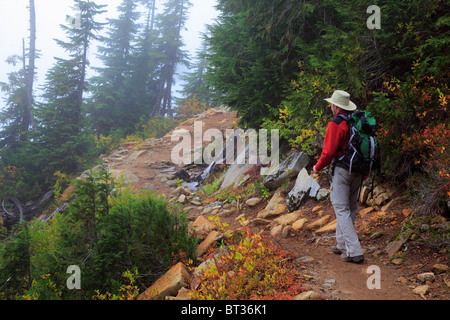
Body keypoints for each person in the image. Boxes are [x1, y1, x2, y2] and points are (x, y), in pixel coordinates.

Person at [313, 90, 364, 264]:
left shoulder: (336, 124)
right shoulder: (357, 121)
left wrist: (317, 167)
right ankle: (342, 244)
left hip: (343, 171)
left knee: (341, 209)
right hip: (359, 170)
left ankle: (354, 251)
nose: (331, 107)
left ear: (336, 106)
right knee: (350, 208)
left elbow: (328, 152)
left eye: (331, 105)